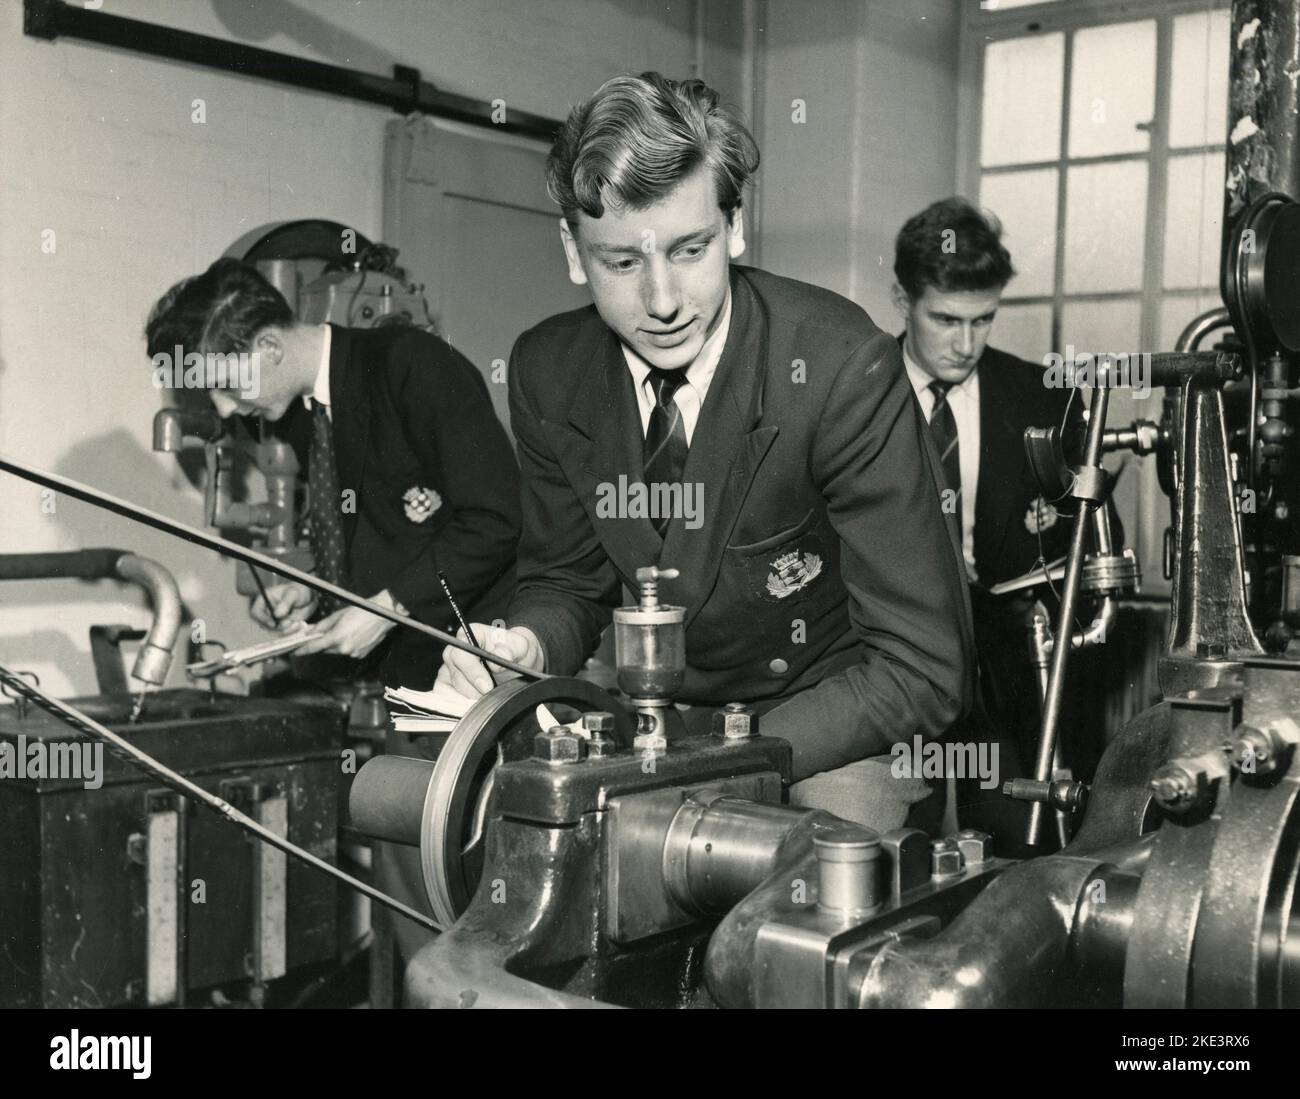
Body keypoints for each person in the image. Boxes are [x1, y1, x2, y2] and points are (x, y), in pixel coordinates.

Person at [436, 72, 974, 833]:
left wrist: (723, 761)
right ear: (571, 249)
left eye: (691, 250)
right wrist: (522, 643)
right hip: (664, 726)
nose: (661, 302)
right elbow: (566, 578)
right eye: (621, 263)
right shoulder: (547, 371)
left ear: (737, 225)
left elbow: (922, 668)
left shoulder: (837, 367)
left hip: (835, 725)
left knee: (806, 904)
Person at [144, 259, 521, 690]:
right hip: (398, 678)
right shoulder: (296, 414)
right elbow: (380, 532)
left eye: (227, 386)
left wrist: (388, 608)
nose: (225, 409)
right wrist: (316, 592)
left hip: (477, 665)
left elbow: (496, 519)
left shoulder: (414, 365)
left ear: (269, 347)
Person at [891, 197, 1123, 841]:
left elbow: (1098, 542)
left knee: (1018, 858)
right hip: (891, 678)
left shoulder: (1041, 397)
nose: (966, 344)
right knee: (895, 863)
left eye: (983, 320)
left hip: (1012, 688)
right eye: (945, 320)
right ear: (901, 298)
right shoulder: (854, 391)